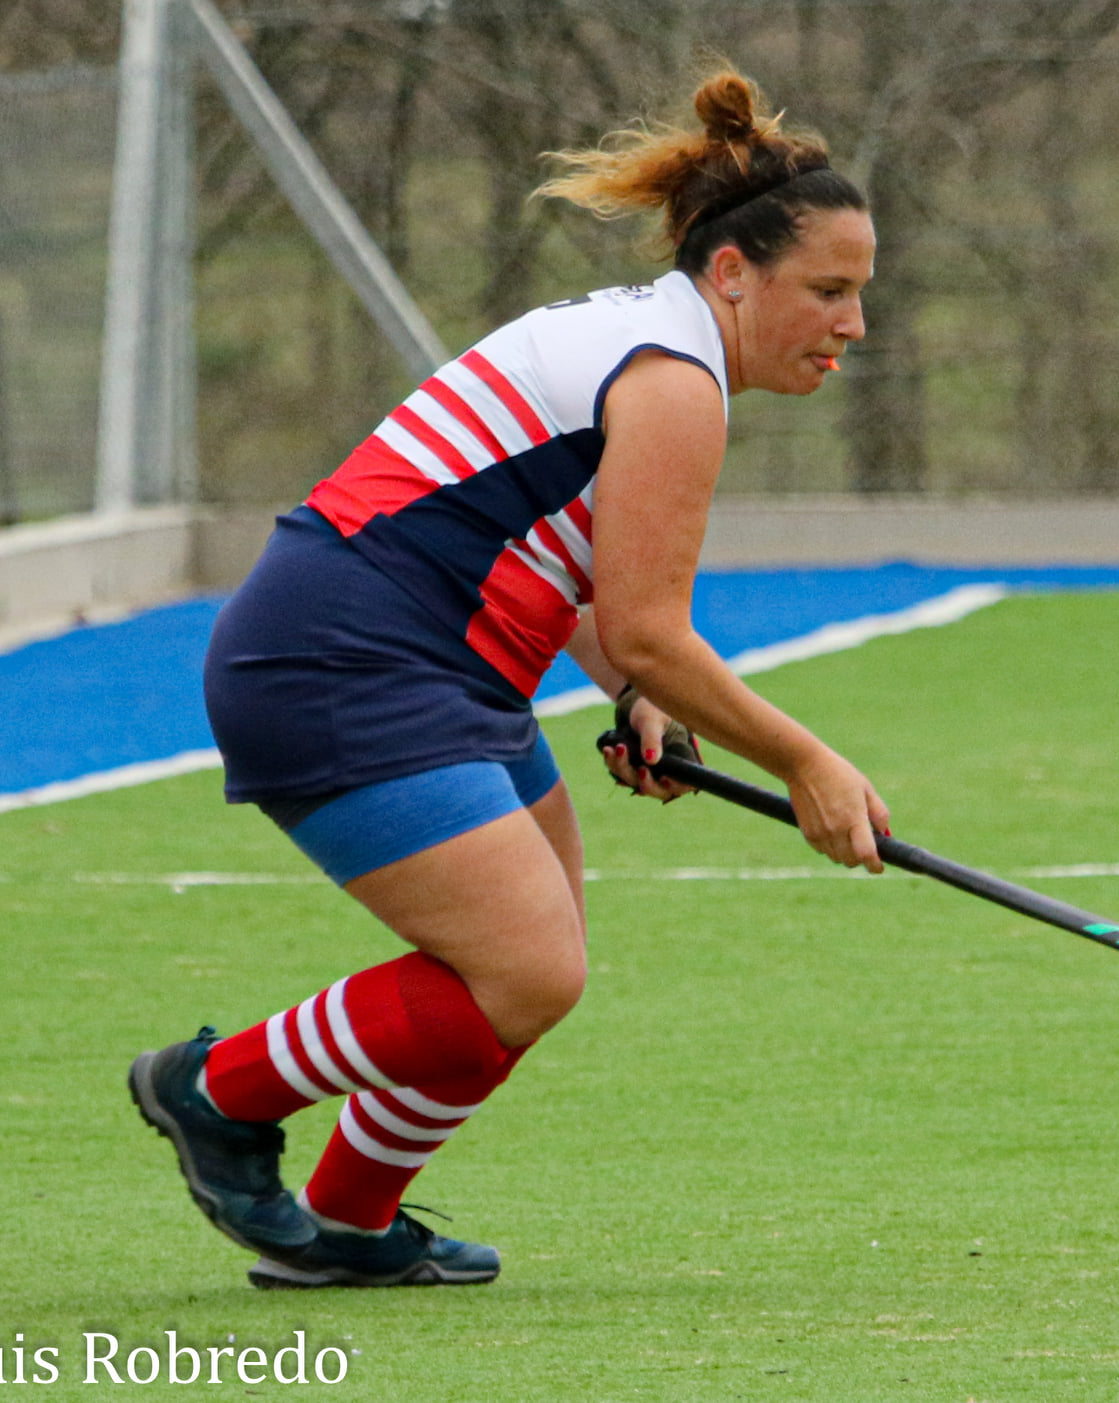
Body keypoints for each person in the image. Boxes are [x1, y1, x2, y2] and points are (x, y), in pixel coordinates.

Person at [128, 70, 891, 1289]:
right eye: (831, 291)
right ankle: (212, 1089)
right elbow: (650, 629)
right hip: (344, 657)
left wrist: (638, 703)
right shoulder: (672, 376)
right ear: (736, 274)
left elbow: (579, 572)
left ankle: (350, 1226)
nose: (853, 325)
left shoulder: (656, 345)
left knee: (525, 979)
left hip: (439, 664)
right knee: (527, 965)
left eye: (861, 294)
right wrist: (806, 760)